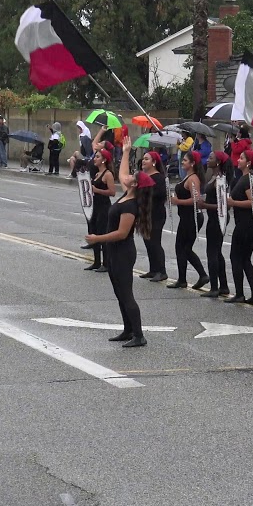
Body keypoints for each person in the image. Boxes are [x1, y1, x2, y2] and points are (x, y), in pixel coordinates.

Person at [86, 135, 150, 348]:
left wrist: (98, 238)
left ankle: (139, 335)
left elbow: (122, 233)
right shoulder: (127, 194)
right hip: (114, 251)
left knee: (126, 292)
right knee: (118, 291)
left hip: (123, 251)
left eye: (133, 176)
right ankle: (128, 329)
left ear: (135, 184)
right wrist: (125, 152)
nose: (128, 176)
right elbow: (122, 172)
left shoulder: (131, 206)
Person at [224, 150, 253, 305]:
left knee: (237, 257)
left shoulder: (248, 180)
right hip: (242, 222)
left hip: (246, 224)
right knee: (245, 259)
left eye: (241, 158)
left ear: (249, 162)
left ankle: (240, 293)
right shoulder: (242, 178)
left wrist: (233, 203)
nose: (238, 160)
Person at [168, 151, 209, 290]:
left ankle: (200, 275)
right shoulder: (188, 177)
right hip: (185, 217)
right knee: (181, 248)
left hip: (192, 217)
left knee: (184, 248)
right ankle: (183, 279)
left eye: (185, 160)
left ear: (192, 163)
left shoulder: (193, 179)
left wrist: (177, 201)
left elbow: (196, 200)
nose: (183, 162)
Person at [198, 150, 230, 299]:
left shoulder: (220, 180)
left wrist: (204, 206)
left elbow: (223, 205)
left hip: (218, 218)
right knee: (216, 252)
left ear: (218, 162)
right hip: (212, 217)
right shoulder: (212, 176)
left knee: (212, 252)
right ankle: (223, 286)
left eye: (211, 158)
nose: (207, 160)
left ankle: (214, 287)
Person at [138, 151, 168, 282]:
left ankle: (162, 271)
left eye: (147, 159)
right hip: (145, 213)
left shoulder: (158, 178)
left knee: (155, 242)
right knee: (147, 241)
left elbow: (160, 194)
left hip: (156, 214)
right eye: (143, 159)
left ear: (154, 162)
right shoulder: (143, 176)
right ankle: (153, 269)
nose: (143, 161)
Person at [85, 148, 115, 272]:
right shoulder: (96, 174)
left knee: (102, 234)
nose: (94, 159)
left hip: (104, 207)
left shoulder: (107, 174)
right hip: (94, 206)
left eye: (97, 157)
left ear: (104, 160)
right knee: (94, 232)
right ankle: (96, 261)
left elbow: (112, 192)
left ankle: (106, 263)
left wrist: (97, 191)